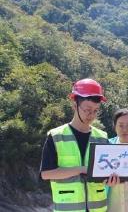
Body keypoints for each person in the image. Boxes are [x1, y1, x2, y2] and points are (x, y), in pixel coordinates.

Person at [40, 78, 119, 212]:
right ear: (75, 105)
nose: (91, 115)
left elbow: (104, 174)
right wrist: (81, 169)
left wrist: (110, 181)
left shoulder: (102, 137)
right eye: (88, 109)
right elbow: (46, 174)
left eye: (95, 111)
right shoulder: (56, 136)